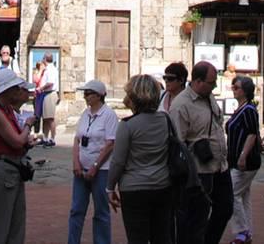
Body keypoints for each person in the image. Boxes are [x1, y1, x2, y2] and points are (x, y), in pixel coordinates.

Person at [170, 59, 233, 244]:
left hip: (220, 166)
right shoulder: (181, 105)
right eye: (211, 82)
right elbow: (177, 142)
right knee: (196, 218)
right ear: (198, 81)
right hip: (199, 171)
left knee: (225, 209)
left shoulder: (209, 96)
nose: (214, 86)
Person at [108, 74, 174, 244]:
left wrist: (110, 187)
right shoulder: (166, 120)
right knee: (162, 237)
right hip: (162, 185)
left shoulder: (127, 125)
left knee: (137, 238)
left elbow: (118, 161)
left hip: (134, 188)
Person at [0, 65, 37, 244]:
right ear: (6, 90)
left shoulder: (7, 110)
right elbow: (16, 141)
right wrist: (28, 125)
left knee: (16, 223)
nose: (18, 91)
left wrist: (26, 142)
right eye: (14, 88)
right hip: (3, 169)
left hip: (12, 167)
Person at [69, 79, 118, 244]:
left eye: (88, 93)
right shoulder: (85, 114)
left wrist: (95, 167)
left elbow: (110, 144)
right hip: (82, 169)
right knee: (76, 209)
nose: (85, 96)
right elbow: (77, 139)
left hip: (101, 170)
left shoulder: (109, 115)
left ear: (99, 95)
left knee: (101, 212)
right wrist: (76, 162)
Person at [225, 75, 262, 244]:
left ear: (245, 91)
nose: (233, 89)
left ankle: (242, 231)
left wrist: (243, 156)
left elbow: (252, 134)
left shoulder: (248, 110)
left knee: (232, 194)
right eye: (233, 87)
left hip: (246, 161)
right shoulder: (241, 108)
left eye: (236, 87)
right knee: (243, 195)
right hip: (237, 159)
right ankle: (247, 232)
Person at [32, 52, 58, 146]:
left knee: (50, 118)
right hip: (46, 94)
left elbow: (50, 83)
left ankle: (52, 139)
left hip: (49, 93)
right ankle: (45, 138)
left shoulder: (50, 69)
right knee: (46, 118)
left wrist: (41, 88)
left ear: (44, 59)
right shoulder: (48, 69)